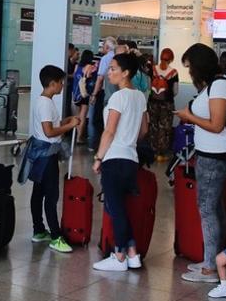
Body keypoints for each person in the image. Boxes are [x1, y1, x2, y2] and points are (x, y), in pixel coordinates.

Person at [176, 43, 226, 283]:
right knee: (214, 208)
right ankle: (212, 259)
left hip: (217, 155)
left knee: (207, 208)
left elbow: (216, 124)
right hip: (210, 153)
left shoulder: (220, 86)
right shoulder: (212, 86)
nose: (190, 72)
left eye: (190, 67)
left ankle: (211, 268)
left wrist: (189, 116)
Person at [91, 52, 150, 271]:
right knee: (121, 208)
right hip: (131, 159)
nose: (109, 72)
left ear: (126, 73)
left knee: (115, 210)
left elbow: (109, 131)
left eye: (114, 68)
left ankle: (119, 257)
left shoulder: (118, 97)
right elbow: (144, 129)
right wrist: (129, 141)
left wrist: (98, 158)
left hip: (114, 158)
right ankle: (133, 253)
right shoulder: (140, 96)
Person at [26, 65, 80, 254]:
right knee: (51, 195)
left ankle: (39, 230)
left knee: (38, 192)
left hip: (41, 153)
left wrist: (66, 121)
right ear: (52, 84)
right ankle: (56, 237)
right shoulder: (46, 104)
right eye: (61, 82)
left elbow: (49, 126)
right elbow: (49, 132)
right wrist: (69, 126)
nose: (63, 85)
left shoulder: (44, 101)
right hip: (47, 154)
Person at [149, 48, 178, 158]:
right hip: (167, 104)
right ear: (171, 59)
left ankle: (153, 150)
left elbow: (149, 86)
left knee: (153, 125)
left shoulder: (153, 69)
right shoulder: (173, 72)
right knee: (164, 127)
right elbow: (175, 91)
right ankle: (161, 153)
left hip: (153, 103)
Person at [89, 37, 117, 149]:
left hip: (106, 94)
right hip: (117, 94)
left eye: (103, 46)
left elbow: (100, 79)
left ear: (107, 47)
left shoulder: (106, 58)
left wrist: (94, 94)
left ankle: (98, 146)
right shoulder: (118, 58)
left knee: (99, 120)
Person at [72, 50, 97, 144]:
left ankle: (74, 134)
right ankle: (79, 137)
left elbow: (75, 77)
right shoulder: (90, 67)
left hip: (75, 93)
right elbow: (89, 77)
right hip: (84, 94)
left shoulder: (77, 66)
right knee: (82, 116)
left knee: (77, 115)